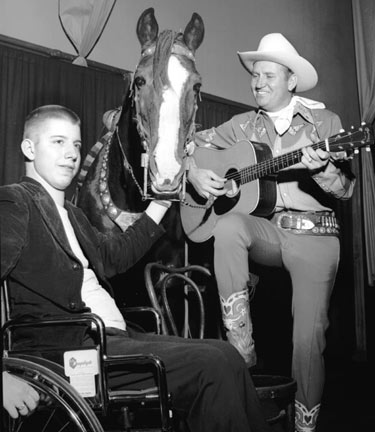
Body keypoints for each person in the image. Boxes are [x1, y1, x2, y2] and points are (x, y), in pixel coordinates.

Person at [0, 104, 271, 432]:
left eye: (76, 144)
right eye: (58, 142)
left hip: (113, 337)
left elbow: (115, 258)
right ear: (29, 148)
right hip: (72, 348)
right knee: (213, 364)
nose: (71, 153)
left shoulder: (72, 215)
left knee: (227, 355)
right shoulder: (15, 202)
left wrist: (163, 200)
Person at [185, 33, 355, 432]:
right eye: (255, 75)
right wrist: (194, 172)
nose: (257, 82)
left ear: (291, 80)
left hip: (316, 237)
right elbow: (192, 145)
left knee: (307, 342)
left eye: (268, 75)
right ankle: (240, 344)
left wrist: (324, 170)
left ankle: (304, 425)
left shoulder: (326, 122)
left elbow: (346, 189)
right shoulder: (241, 125)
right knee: (227, 226)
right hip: (268, 232)